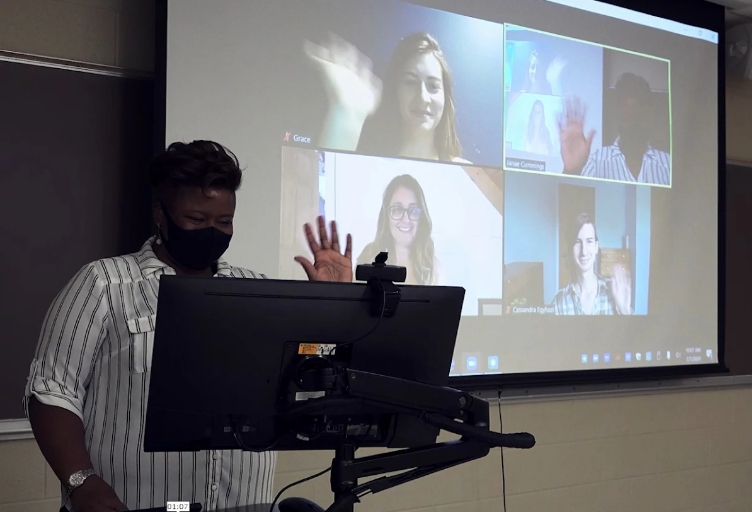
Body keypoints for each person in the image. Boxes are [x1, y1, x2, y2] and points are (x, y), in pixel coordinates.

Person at [23, 141, 353, 512]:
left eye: (223, 222)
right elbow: (51, 391)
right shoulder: (103, 284)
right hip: (132, 506)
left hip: (244, 504)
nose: (211, 231)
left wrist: (334, 305)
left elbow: (308, 387)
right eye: (196, 220)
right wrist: (80, 481)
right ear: (161, 215)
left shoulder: (259, 292)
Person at [305, 32, 470, 163]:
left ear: (445, 97)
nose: (423, 97)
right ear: (396, 91)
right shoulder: (369, 164)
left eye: (433, 86)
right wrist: (347, 114)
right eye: (410, 82)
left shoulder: (464, 172)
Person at [558, 72, 671, 185]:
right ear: (618, 116)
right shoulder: (597, 161)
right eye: (627, 118)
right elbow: (574, 200)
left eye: (636, 117)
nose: (632, 125)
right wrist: (571, 170)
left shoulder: (667, 164)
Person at [357, 174, 442, 285]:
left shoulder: (433, 268)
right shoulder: (369, 256)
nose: (406, 219)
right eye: (397, 209)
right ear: (386, 216)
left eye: (413, 210)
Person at [551, 213, 632, 315]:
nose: (584, 251)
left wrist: (624, 310)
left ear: (596, 247)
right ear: (570, 249)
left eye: (589, 241)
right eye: (577, 242)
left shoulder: (614, 295)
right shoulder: (559, 303)